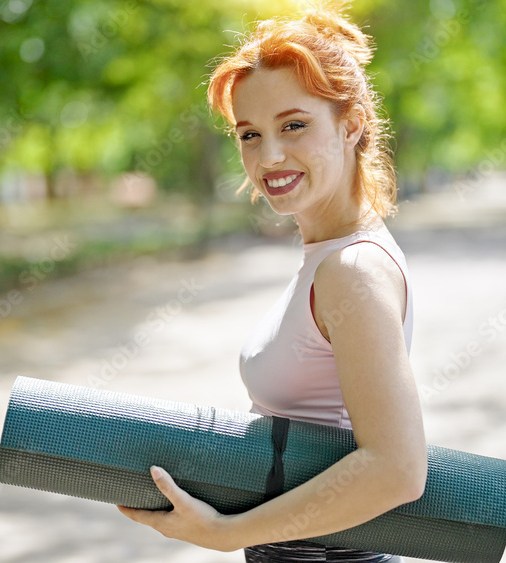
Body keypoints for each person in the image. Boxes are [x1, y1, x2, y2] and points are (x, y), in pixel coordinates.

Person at [117, 2, 427, 561]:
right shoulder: (328, 256)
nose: (270, 155)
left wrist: (227, 532)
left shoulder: (352, 270)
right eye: (250, 134)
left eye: (294, 125)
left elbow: (398, 470)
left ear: (351, 124)